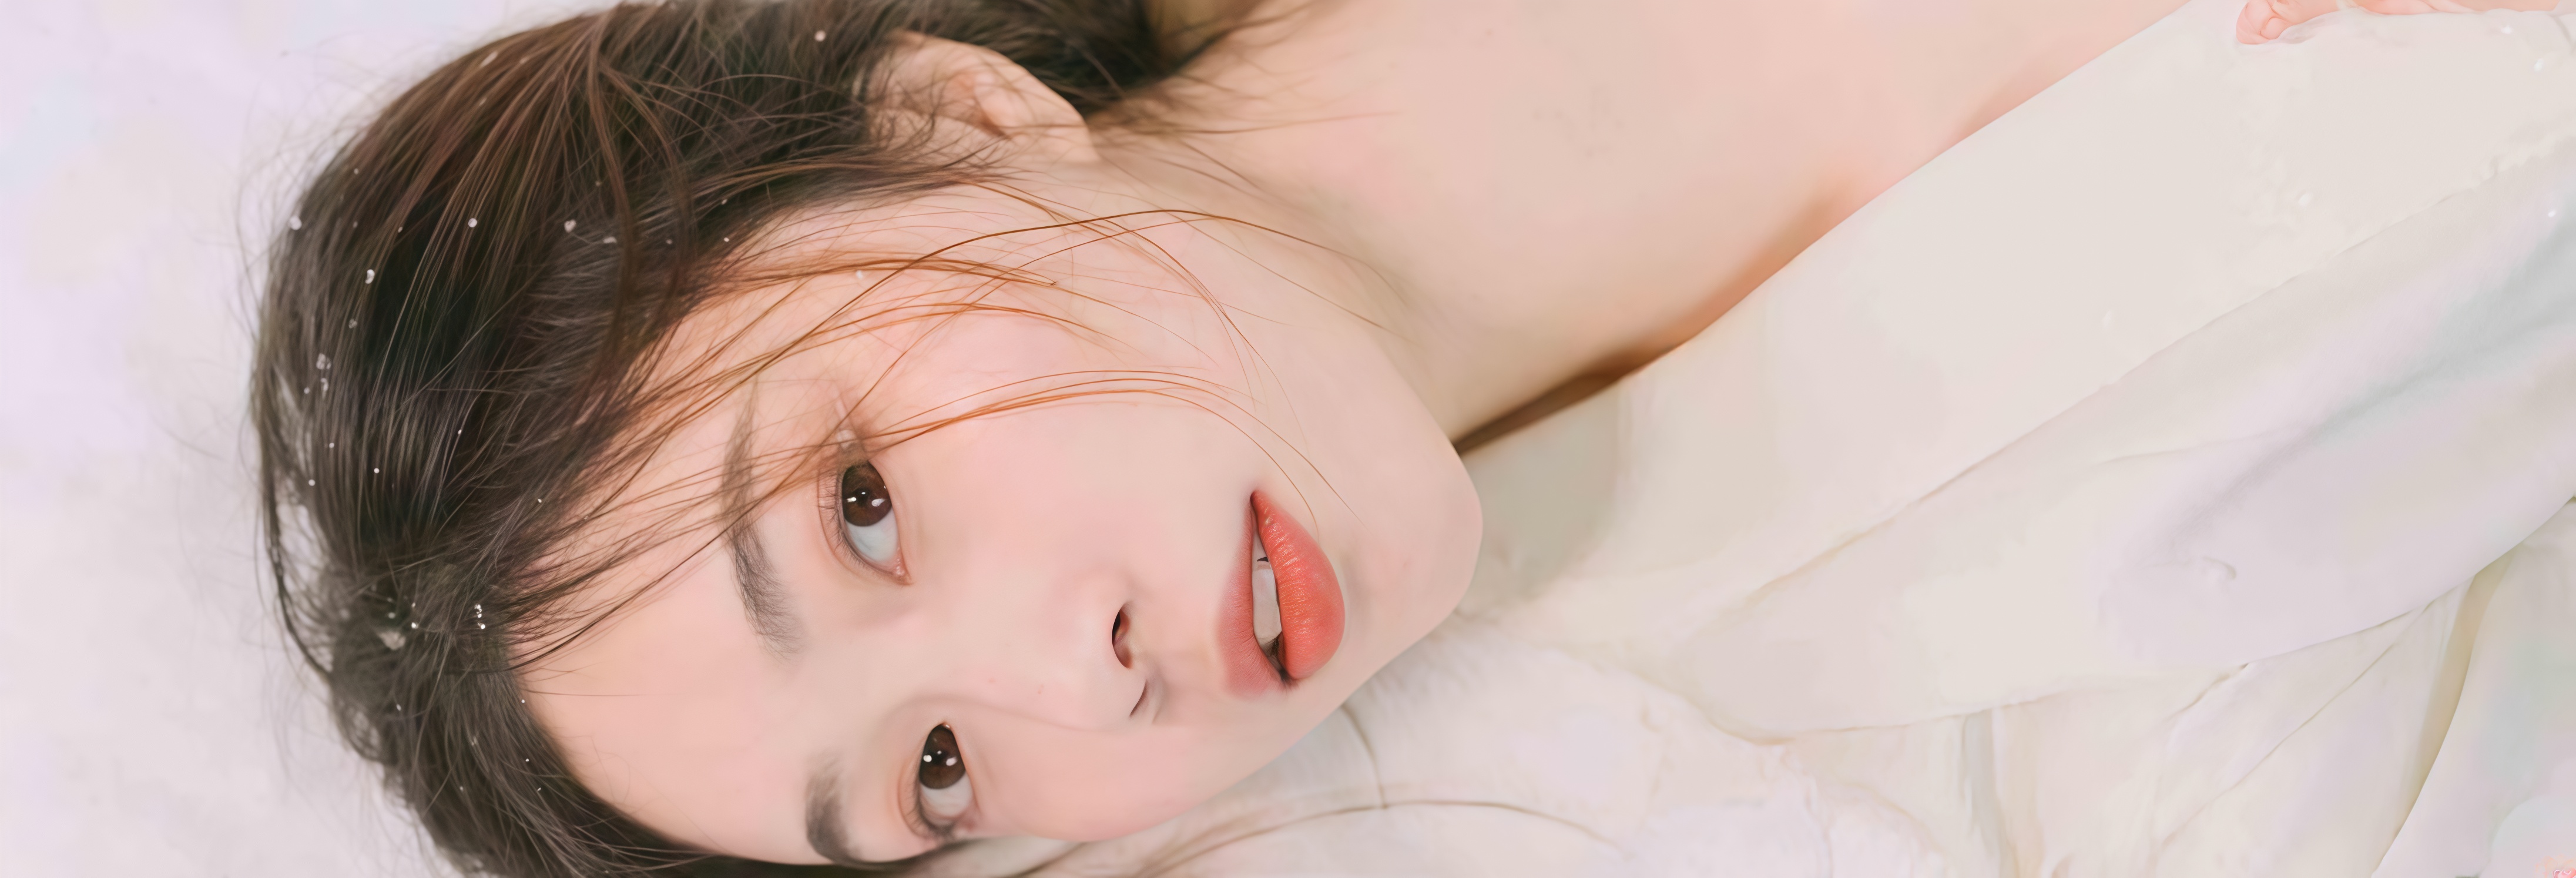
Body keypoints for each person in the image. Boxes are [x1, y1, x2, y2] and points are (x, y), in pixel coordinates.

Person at [250, 0, 2562, 874]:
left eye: (859, 508)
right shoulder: (1974, 699)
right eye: (936, 775)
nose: (1080, 685)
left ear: (953, 119)